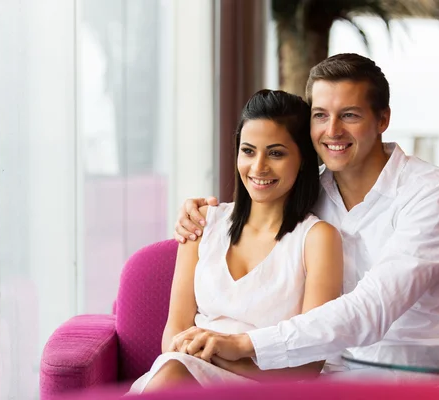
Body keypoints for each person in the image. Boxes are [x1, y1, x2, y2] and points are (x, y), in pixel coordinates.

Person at [171, 53, 439, 371]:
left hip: (427, 377)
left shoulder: (431, 196)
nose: (332, 130)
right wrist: (197, 214)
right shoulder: (307, 194)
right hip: (332, 378)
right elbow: (255, 206)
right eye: (321, 115)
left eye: (349, 115)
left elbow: (373, 308)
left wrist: (245, 345)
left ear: (382, 120)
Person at [129, 89, 343, 392]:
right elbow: (174, 334)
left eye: (276, 153)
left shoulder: (317, 239)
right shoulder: (203, 222)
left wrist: (226, 355)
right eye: (249, 151)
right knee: (174, 371)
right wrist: (202, 355)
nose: (258, 167)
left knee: (175, 373)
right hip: (181, 372)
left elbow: (310, 361)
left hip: (261, 385)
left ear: (304, 161)